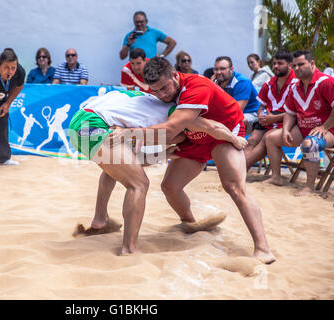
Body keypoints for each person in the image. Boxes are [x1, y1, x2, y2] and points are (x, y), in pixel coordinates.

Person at [69, 89, 245, 255]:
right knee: (139, 184)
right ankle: (129, 248)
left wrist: (161, 154)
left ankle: (100, 220)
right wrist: (235, 139)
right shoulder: (176, 115)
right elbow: (211, 127)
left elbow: (128, 162)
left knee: (113, 171)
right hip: (93, 127)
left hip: (78, 123)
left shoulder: (141, 101)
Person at [137, 57, 275, 264]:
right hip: (195, 136)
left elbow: (176, 129)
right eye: (155, 91)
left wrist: (128, 134)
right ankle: (190, 223)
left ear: (175, 76)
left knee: (234, 187)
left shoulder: (197, 85)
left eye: (165, 88)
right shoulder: (158, 90)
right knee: (170, 187)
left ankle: (263, 248)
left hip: (226, 131)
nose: (161, 95)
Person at [264, 50, 334, 196]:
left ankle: (309, 187)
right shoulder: (294, 87)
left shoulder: (326, 82)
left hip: (330, 130)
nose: (297, 68)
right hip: (303, 128)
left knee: (310, 144)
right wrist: (285, 130)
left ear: (312, 64)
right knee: (271, 138)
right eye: (294, 65)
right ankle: (276, 177)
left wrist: (325, 127)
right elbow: (290, 113)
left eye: (301, 64)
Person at [244, 50, 298, 170]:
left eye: (280, 63)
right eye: (274, 63)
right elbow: (262, 106)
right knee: (252, 140)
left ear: (290, 65)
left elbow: (298, 113)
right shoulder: (269, 83)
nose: (276, 66)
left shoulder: (297, 83)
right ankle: (240, 171)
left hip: (287, 122)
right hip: (268, 119)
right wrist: (261, 116)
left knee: (265, 140)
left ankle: (238, 170)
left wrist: (273, 118)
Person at [214, 56, 260, 132]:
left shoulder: (242, 82)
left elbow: (237, 111)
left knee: (232, 122)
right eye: (216, 69)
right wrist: (212, 86)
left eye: (222, 69)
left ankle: (236, 142)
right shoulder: (216, 82)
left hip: (251, 113)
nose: (218, 72)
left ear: (231, 69)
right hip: (229, 112)